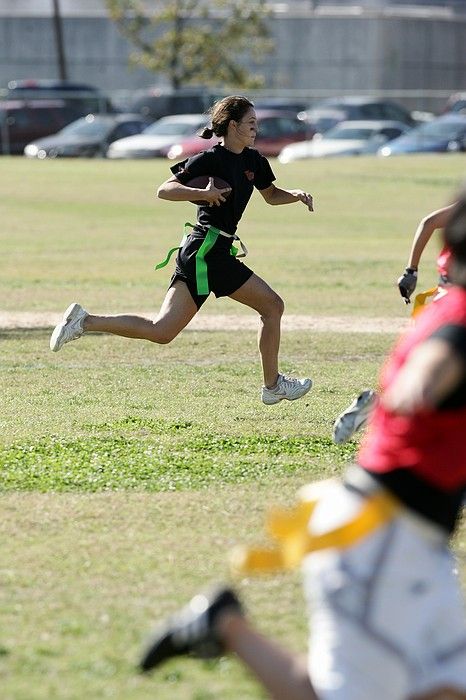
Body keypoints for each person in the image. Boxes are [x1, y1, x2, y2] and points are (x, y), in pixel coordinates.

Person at [138, 192, 466, 700]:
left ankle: (222, 625)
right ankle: (227, 628)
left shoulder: (449, 312)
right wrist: (409, 396)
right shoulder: (458, 324)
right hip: (381, 540)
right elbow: (419, 387)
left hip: (407, 543)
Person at [49, 95, 314, 405]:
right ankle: (273, 386)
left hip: (213, 250)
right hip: (206, 249)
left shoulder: (254, 161)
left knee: (162, 331)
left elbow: (270, 195)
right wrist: (201, 192)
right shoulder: (209, 159)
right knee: (272, 306)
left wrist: (294, 195)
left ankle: (84, 321)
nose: (256, 128)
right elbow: (165, 189)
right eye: (250, 123)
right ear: (232, 126)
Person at [333, 201, 457, 444]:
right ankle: (381, 409)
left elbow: (429, 222)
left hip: (446, 297)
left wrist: (411, 271)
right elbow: (430, 222)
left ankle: (379, 407)